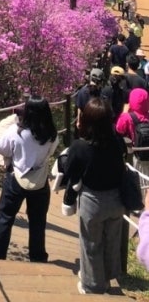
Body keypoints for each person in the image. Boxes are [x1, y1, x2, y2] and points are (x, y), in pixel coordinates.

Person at [63, 97, 126, 295]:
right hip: (117, 200)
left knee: (91, 243)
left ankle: (92, 285)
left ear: (87, 120)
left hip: (92, 201)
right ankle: (106, 279)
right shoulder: (117, 142)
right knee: (111, 242)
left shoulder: (80, 146)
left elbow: (69, 171)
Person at [0, 96, 59, 263]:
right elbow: (51, 152)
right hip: (40, 180)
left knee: (5, 217)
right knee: (38, 221)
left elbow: (0, 148)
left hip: (16, 178)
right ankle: (38, 256)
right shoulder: (52, 134)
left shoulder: (16, 131)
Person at [116, 87, 149, 178]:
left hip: (137, 154)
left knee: (140, 178)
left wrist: (124, 112)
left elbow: (119, 129)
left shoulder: (128, 117)